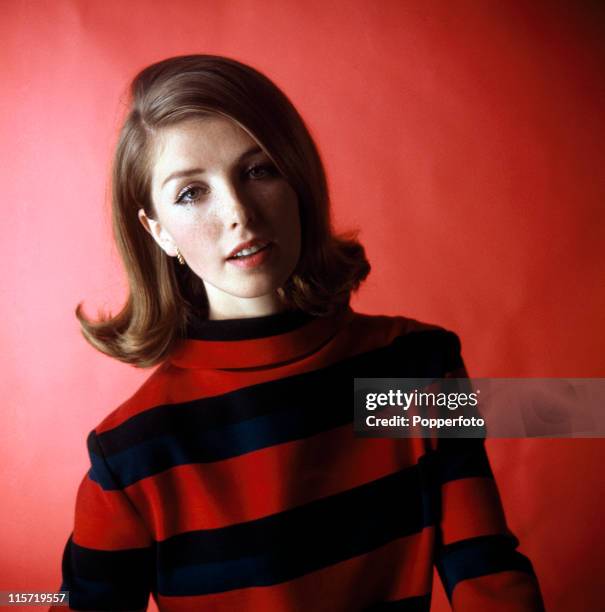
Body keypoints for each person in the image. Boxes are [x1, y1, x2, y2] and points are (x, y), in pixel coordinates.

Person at [52, 54, 545, 611]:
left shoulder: (413, 373)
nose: (239, 212)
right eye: (192, 192)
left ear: (299, 179)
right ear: (158, 230)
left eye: (259, 169)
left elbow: (488, 571)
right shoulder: (134, 452)